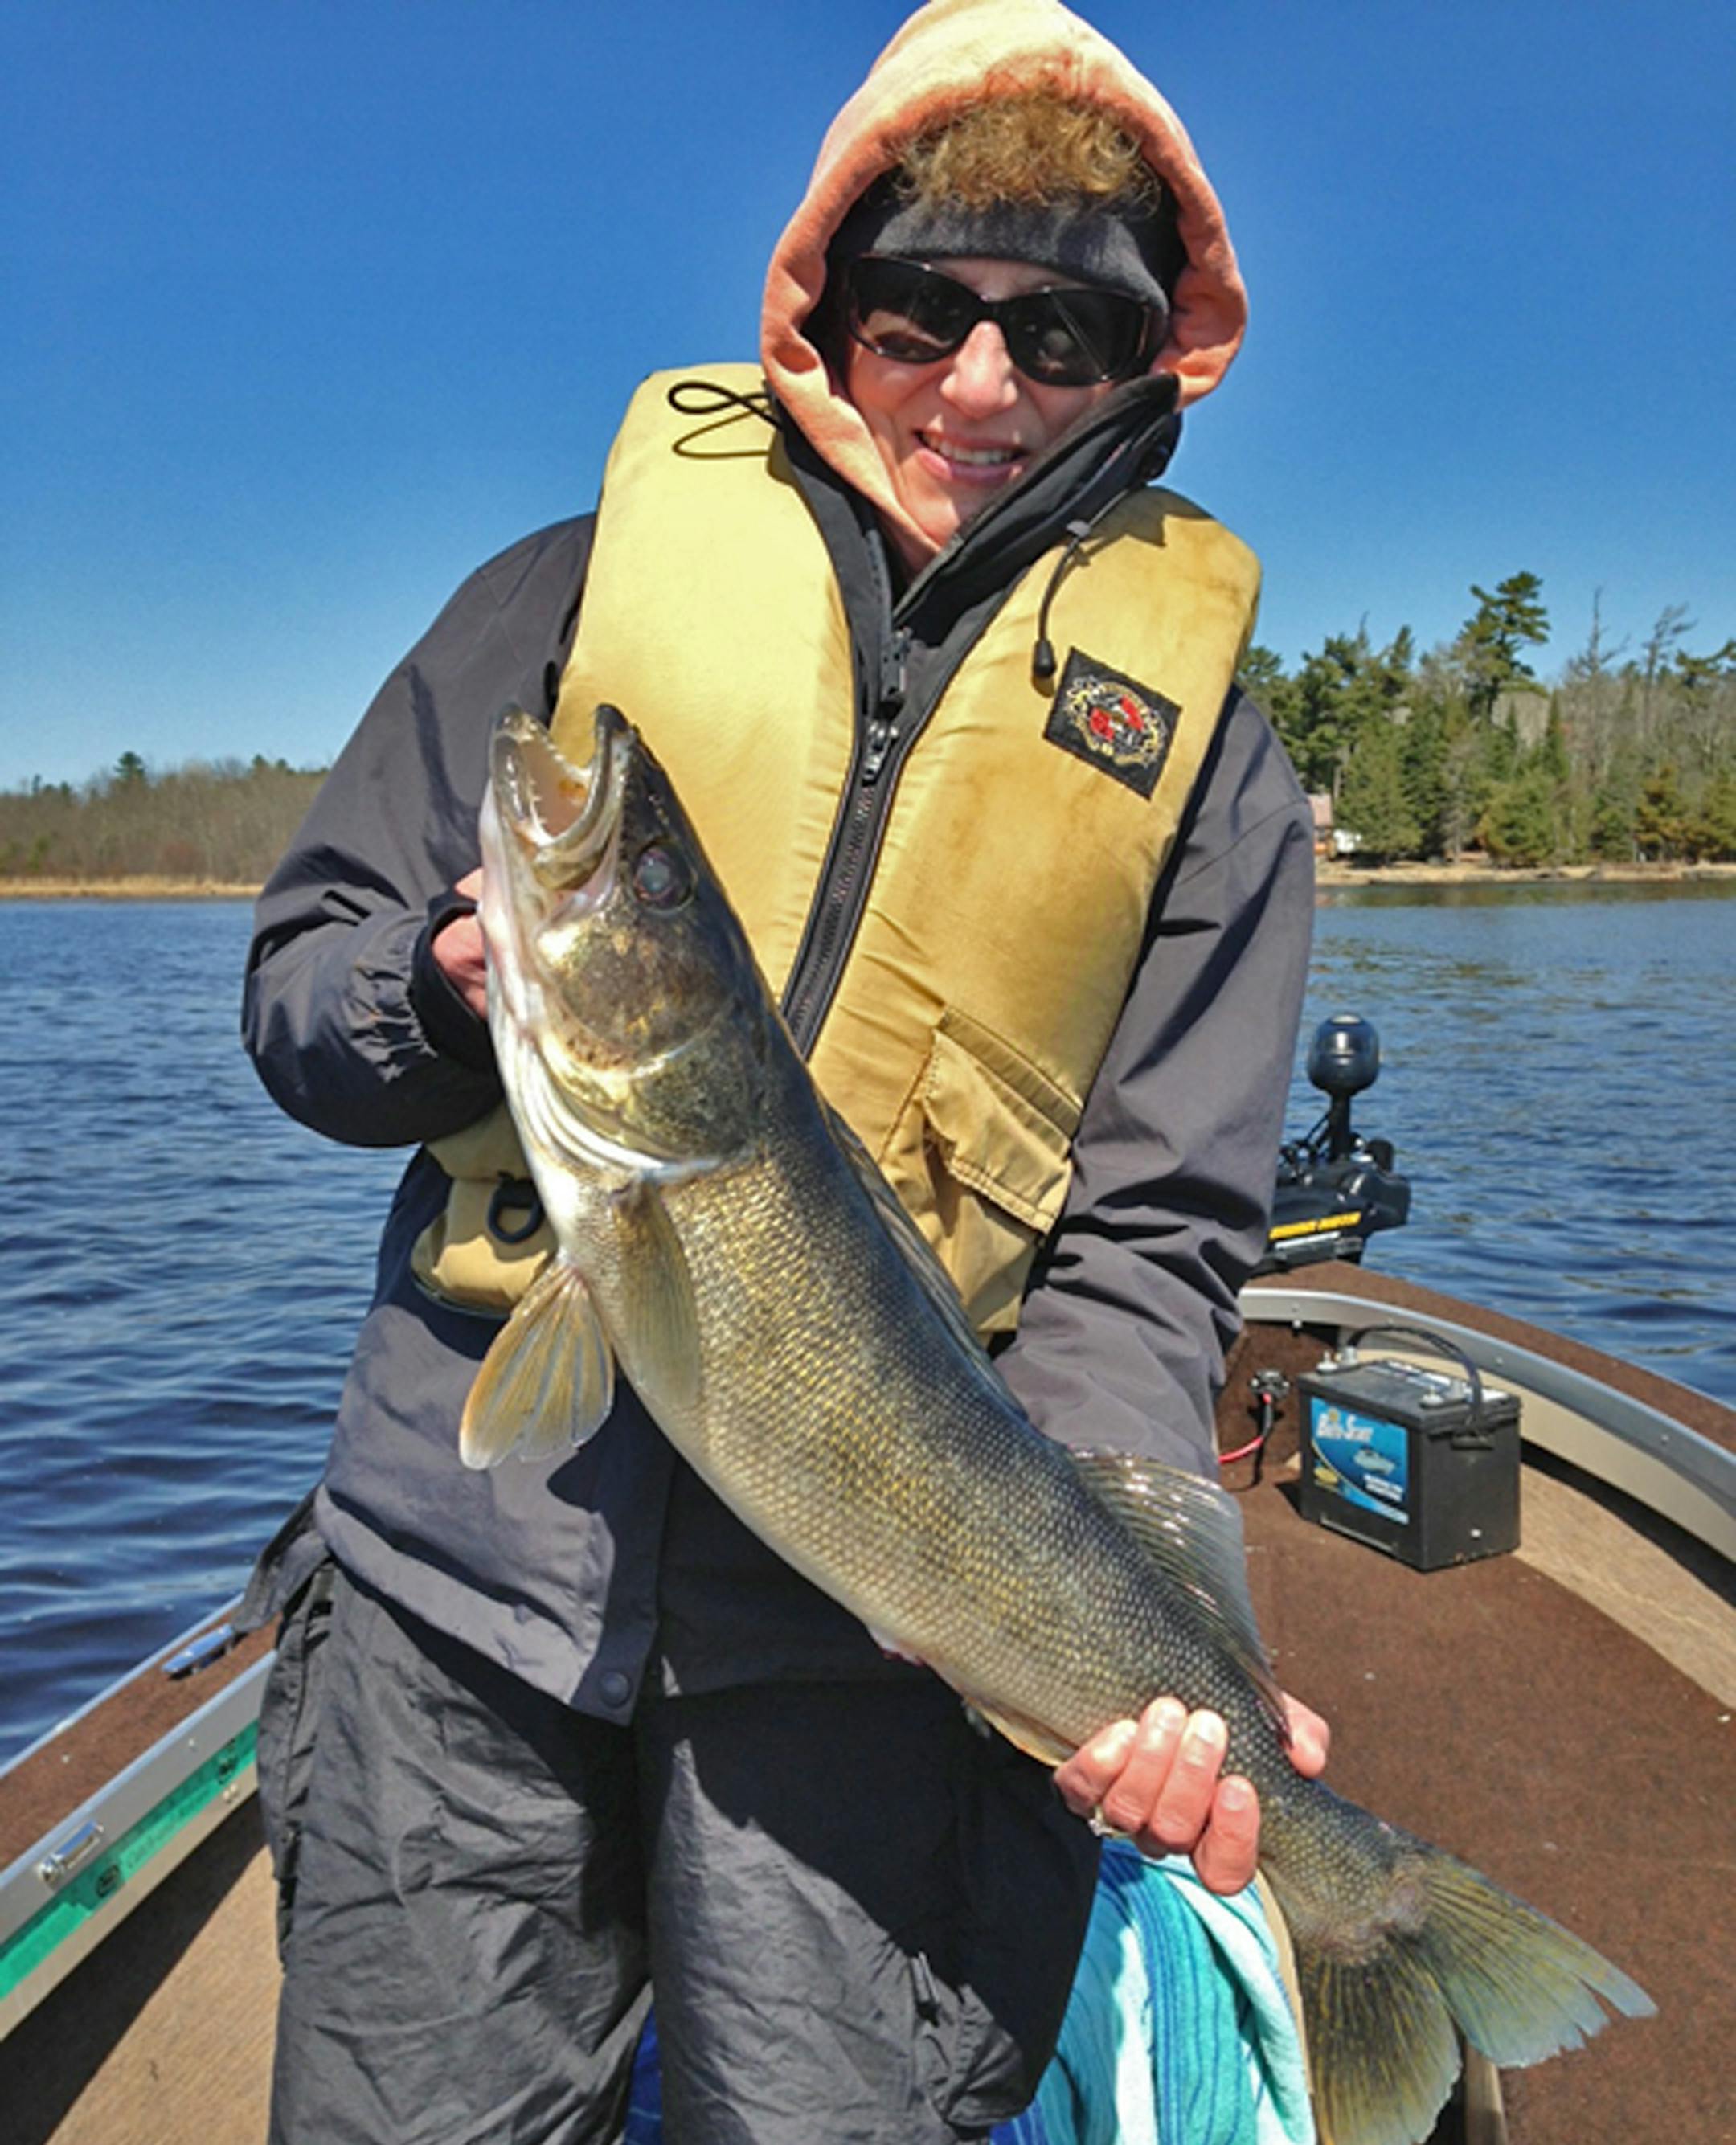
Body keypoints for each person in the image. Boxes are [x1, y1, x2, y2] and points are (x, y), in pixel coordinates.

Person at [242, 2, 1326, 2139]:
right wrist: (450, 993)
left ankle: (1377, 1924)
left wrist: (1135, 1616)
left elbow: (1152, 1245)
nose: (988, 385)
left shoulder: (1215, 770)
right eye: (925, 310)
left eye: (1069, 330)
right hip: (457, 1610)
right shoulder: (566, 600)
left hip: (873, 1678)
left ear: (1154, 360)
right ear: (830, 317)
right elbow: (299, 996)